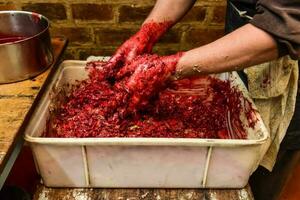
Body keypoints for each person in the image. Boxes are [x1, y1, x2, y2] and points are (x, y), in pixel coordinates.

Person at [106, 1, 300, 199]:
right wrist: (147, 33)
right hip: (240, 36)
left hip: (287, 62)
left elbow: (290, 24)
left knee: (258, 181)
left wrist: (169, 68)